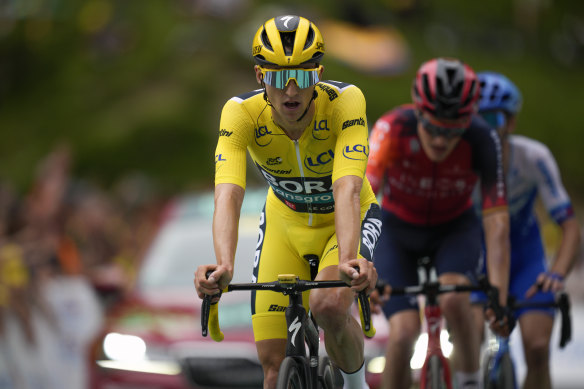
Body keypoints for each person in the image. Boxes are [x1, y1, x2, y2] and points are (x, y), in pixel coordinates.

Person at [194, 15, 382, 389]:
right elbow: (227, 194)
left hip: (343, 221)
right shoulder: (240, 113)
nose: (291, 91)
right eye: (279, 77)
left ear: (320, 74)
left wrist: (349, 261)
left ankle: (356, 384)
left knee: (327, 305)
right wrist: (225, 264)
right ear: (260, 76)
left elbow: (346, 187)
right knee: (270, 366)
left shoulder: (345, 101)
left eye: (303, 76)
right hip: (285, 223)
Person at [366, 57, 512, 389]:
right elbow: (362, 201)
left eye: (453, 130)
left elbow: (497, 223)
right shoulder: (392, 128)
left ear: (469, 121)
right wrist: (360, 265)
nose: (441, 141)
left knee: (454, 299)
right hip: (397, 231)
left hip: (454, 229)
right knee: (402, 332)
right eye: (433, 127)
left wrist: (498, 298)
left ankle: (469, 380)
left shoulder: (482, 138)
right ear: (418, 111)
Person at [473, 71, 581, 389]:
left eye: (494, 117)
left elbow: (570, 227)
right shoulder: (457, 161)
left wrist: (558, 272)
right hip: (476, 259)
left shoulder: (534, 157)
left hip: (526, 259)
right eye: (479, 118)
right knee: (466, 343)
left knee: (536, 348)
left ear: (512, 123)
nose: (487, 127)